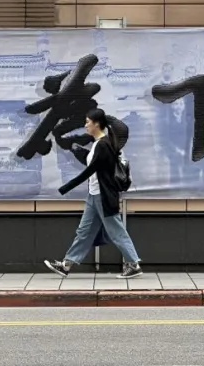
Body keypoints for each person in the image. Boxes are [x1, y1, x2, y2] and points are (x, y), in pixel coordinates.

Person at [45, 108, 143, 279]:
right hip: (94, 194)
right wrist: (78, 151)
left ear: (96, 124)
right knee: (84, 231)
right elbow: (95, 165)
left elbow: (90, 170)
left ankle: (133, 264)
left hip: (103, 197)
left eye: (88, 122)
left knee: (116, 231)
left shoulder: (104, 144)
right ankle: (66, 265)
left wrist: (65, 188)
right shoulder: (99, 144)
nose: (85, 125)